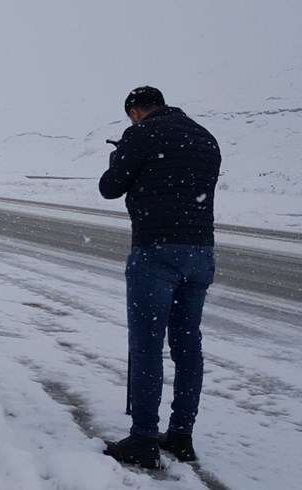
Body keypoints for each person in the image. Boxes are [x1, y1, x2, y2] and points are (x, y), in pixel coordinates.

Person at [99, 86, 221, 469]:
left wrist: (121, 153)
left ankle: (144, 439)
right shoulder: (205, 137)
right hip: (200, 251)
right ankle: (181, 436)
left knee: (147, 345)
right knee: (188, 347)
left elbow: (109, 187)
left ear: (135, 112)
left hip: (156, 250)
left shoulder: (141, 134)